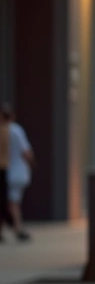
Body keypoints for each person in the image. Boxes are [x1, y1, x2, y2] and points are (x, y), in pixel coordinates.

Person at [0, 104, 31, 243]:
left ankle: (14, 228)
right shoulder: (16, 130)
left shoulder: (6, 131)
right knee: (13, 202)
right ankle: (17, 228)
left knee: (8, 201)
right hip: (13, 171)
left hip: (8, 170)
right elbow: (26, 152)